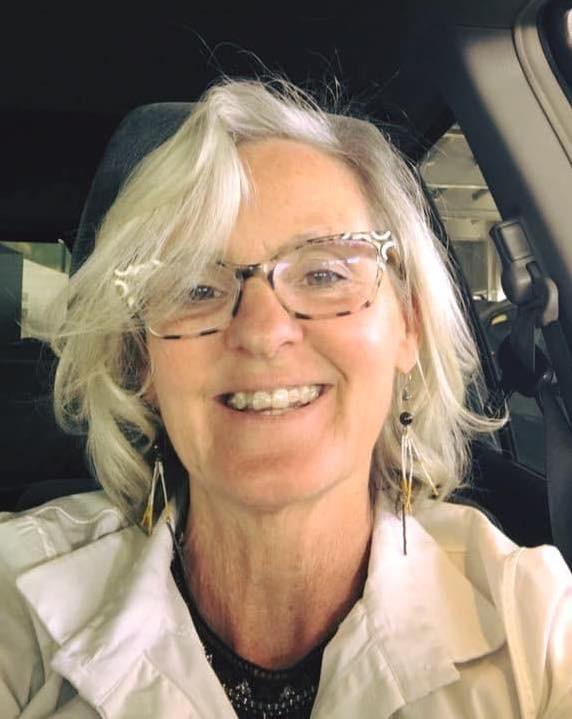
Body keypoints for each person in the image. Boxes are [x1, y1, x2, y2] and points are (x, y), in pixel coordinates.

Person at [1, 78, 571, 719]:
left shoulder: (537, 628)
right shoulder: (16, 601)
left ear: (408, 325)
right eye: (195, 288)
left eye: (325, 273)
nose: (263, 332)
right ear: (142, 361)